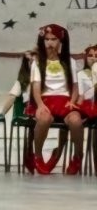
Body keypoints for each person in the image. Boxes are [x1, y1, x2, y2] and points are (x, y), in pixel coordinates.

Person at [27, 23, 83, 174]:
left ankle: (78, 156)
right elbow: (36, 87)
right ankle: (38, 156)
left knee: (76, 121)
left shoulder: (69, 61)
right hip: (45, 100)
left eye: (53, 39)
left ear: (60, 42)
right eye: (47, 39)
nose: (50, 43)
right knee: (44, 119)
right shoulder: (38, 62)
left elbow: (75, 87)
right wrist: (39, 104)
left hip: (65, 100)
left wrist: (72, 101)